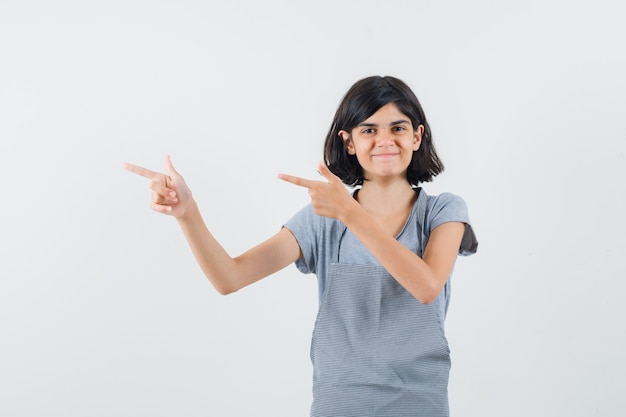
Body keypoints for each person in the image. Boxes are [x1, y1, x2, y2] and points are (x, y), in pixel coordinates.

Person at [123, 75, 478, 417]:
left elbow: (427, 286)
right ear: (349, 142)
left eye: (398, 128)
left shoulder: (443, 210)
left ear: (417, 137)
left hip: (419, 406)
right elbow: (229, 277)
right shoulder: (323, 219)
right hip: (337, 405)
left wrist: (350, 214)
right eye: (369, 129)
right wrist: (188, 214)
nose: (385, 140)